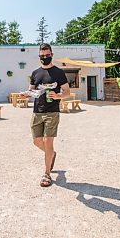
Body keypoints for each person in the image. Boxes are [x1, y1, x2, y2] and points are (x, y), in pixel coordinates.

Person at [29, 43, 70, 187]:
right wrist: (25, 94)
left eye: (47, 55)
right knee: (36, 141)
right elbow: (32, 91)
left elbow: (67, 92)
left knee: (48, 142)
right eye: (42, 56)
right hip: (37, 111)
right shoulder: (35, 73)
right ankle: (51, 154)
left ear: (52, 55)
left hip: (52, 112)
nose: (44, 58)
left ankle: (46, 174)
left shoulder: (58, 72)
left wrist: (58, 95)